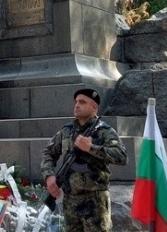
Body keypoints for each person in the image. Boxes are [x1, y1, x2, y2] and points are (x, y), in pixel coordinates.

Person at [41, 88, 127, 232]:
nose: (77, 105)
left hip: (95, 202)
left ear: (94, 107)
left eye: (82, 102)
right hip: (70, 201)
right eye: (76, 102)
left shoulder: (104, 131)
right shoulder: (66, 131)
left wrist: (91, 148)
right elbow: (48, 152)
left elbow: (121, 156)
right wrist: (49, 176)